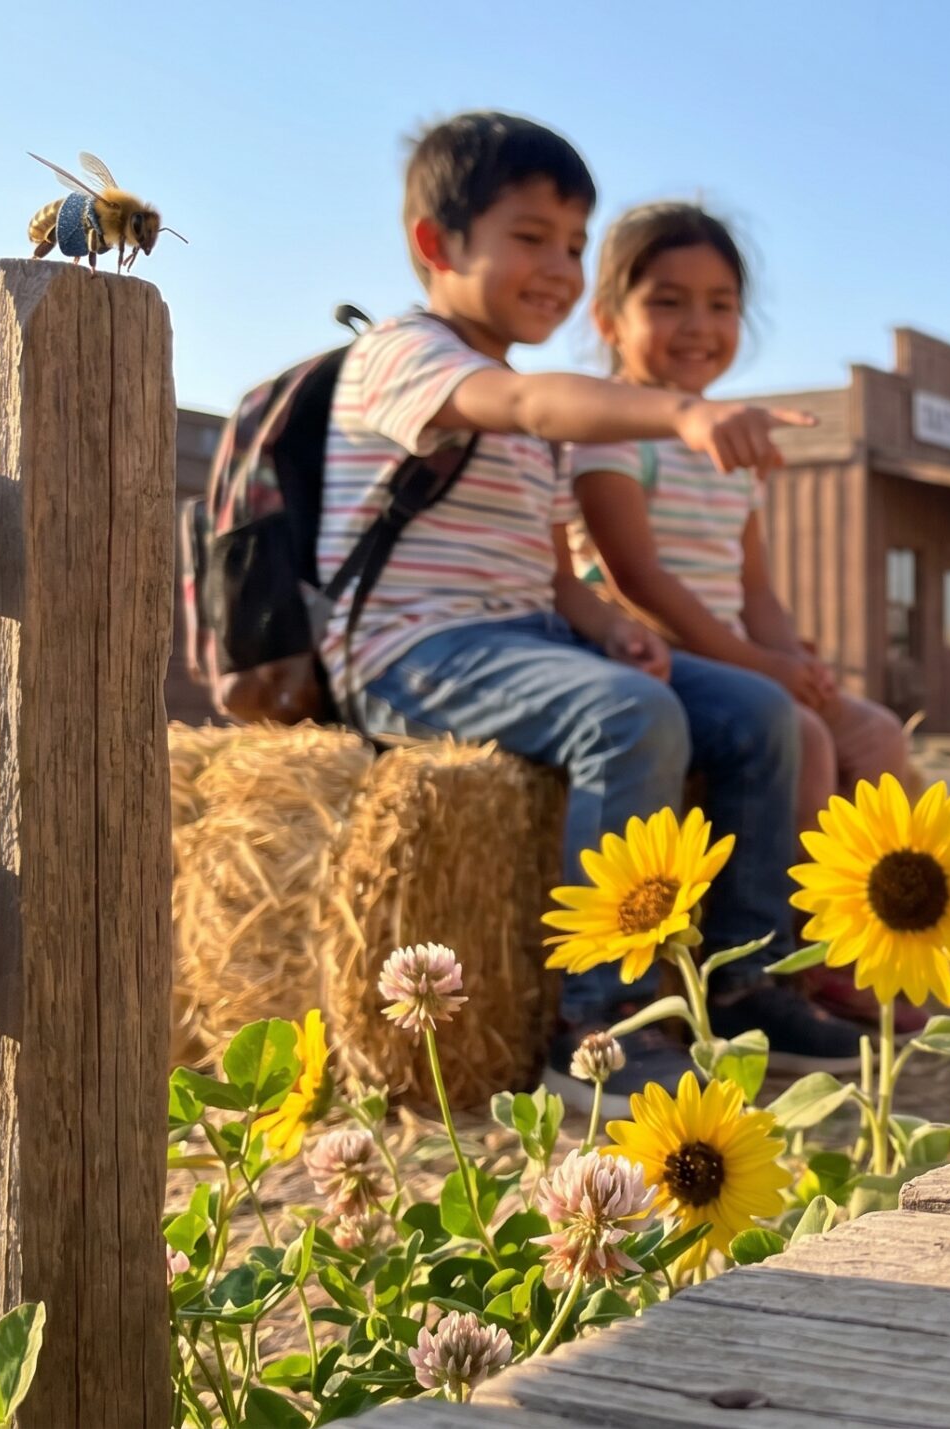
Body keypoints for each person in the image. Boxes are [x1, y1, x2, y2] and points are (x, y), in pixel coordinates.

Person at [321, 112, 863, 1113]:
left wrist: (606, 622)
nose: (560, 266)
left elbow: (544, 569)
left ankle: (743, 981)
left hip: (524, 636)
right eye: (531, 237)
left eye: (573, 243)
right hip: (412, 649)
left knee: (760, 712)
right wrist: (683, 413)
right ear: (434, 245)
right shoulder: (405, 356)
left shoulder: (519, 401)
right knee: (628, 714)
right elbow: (526, 407)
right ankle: (599, 1024)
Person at [560, 201, 926, 1030]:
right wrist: (761, 668)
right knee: (807, 738)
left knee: (876, 735)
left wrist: (789, 648)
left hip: (735, 653)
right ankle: (794, 958)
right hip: (652, 656)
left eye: (721, 303)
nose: (699, 325)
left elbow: (754, 585)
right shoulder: (610, 433)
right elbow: (637, 579)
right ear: (608, 319)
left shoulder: (734, 446)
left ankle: (873, 939)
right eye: (667, 301)